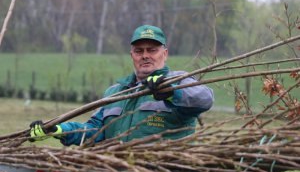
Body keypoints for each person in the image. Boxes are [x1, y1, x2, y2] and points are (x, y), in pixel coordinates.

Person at [29, 25, 214, 146]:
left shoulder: (179, 81)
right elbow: (94, 132)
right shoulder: (115, 92)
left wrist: (170, 92)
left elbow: (205, 99)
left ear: (164, 54)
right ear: (132, 55)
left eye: (152, 50)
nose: (145, 55)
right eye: (139, 51)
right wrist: (58, 129)